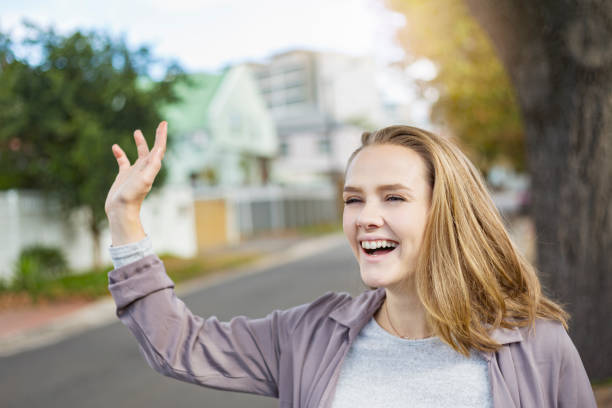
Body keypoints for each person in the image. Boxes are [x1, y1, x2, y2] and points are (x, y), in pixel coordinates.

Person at [105, 122, 597, 408]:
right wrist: (125, 219)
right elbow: (179, 346)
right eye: (354, 199)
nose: (367, 218)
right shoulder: (309, 335)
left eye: (394, 197)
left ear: (445, 212)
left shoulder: (538, 346)